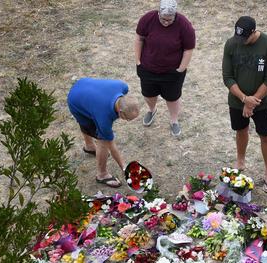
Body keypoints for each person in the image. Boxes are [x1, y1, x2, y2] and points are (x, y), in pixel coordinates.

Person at [222, 16, 267, 193]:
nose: (241, 42)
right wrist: (244, 99)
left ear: (254, 32)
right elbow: (227, 77)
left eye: (245, 38)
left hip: (261, 103)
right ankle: (240, 161)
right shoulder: (231, 44)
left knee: (265, 135)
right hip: (237, 101)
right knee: (240, 130)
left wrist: (252, 102)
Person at [135, 0, 195, 137]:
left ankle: (174, 120)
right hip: (148, 67)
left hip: (172, 71)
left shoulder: (184, 25)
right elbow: (139, 38)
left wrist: (180, 70)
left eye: (170, 19)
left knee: (172, 97)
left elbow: (188, 49)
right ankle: (152, 110)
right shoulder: (147, 19)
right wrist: (138, 61)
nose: (166, 22)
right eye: (163, 19)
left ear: (175, 15)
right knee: (148, 94)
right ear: (158, 13)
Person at [67, 77, 140, 188]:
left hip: (83, 85)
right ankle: (102, 174)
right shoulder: (104, 118)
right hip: (75, 101)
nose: (128, 121)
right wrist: (125, 168)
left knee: (91, 119)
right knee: (102, 141)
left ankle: (90, 146)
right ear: (120, 113)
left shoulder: (123, 86)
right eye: (128, 119)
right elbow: (111, 146)